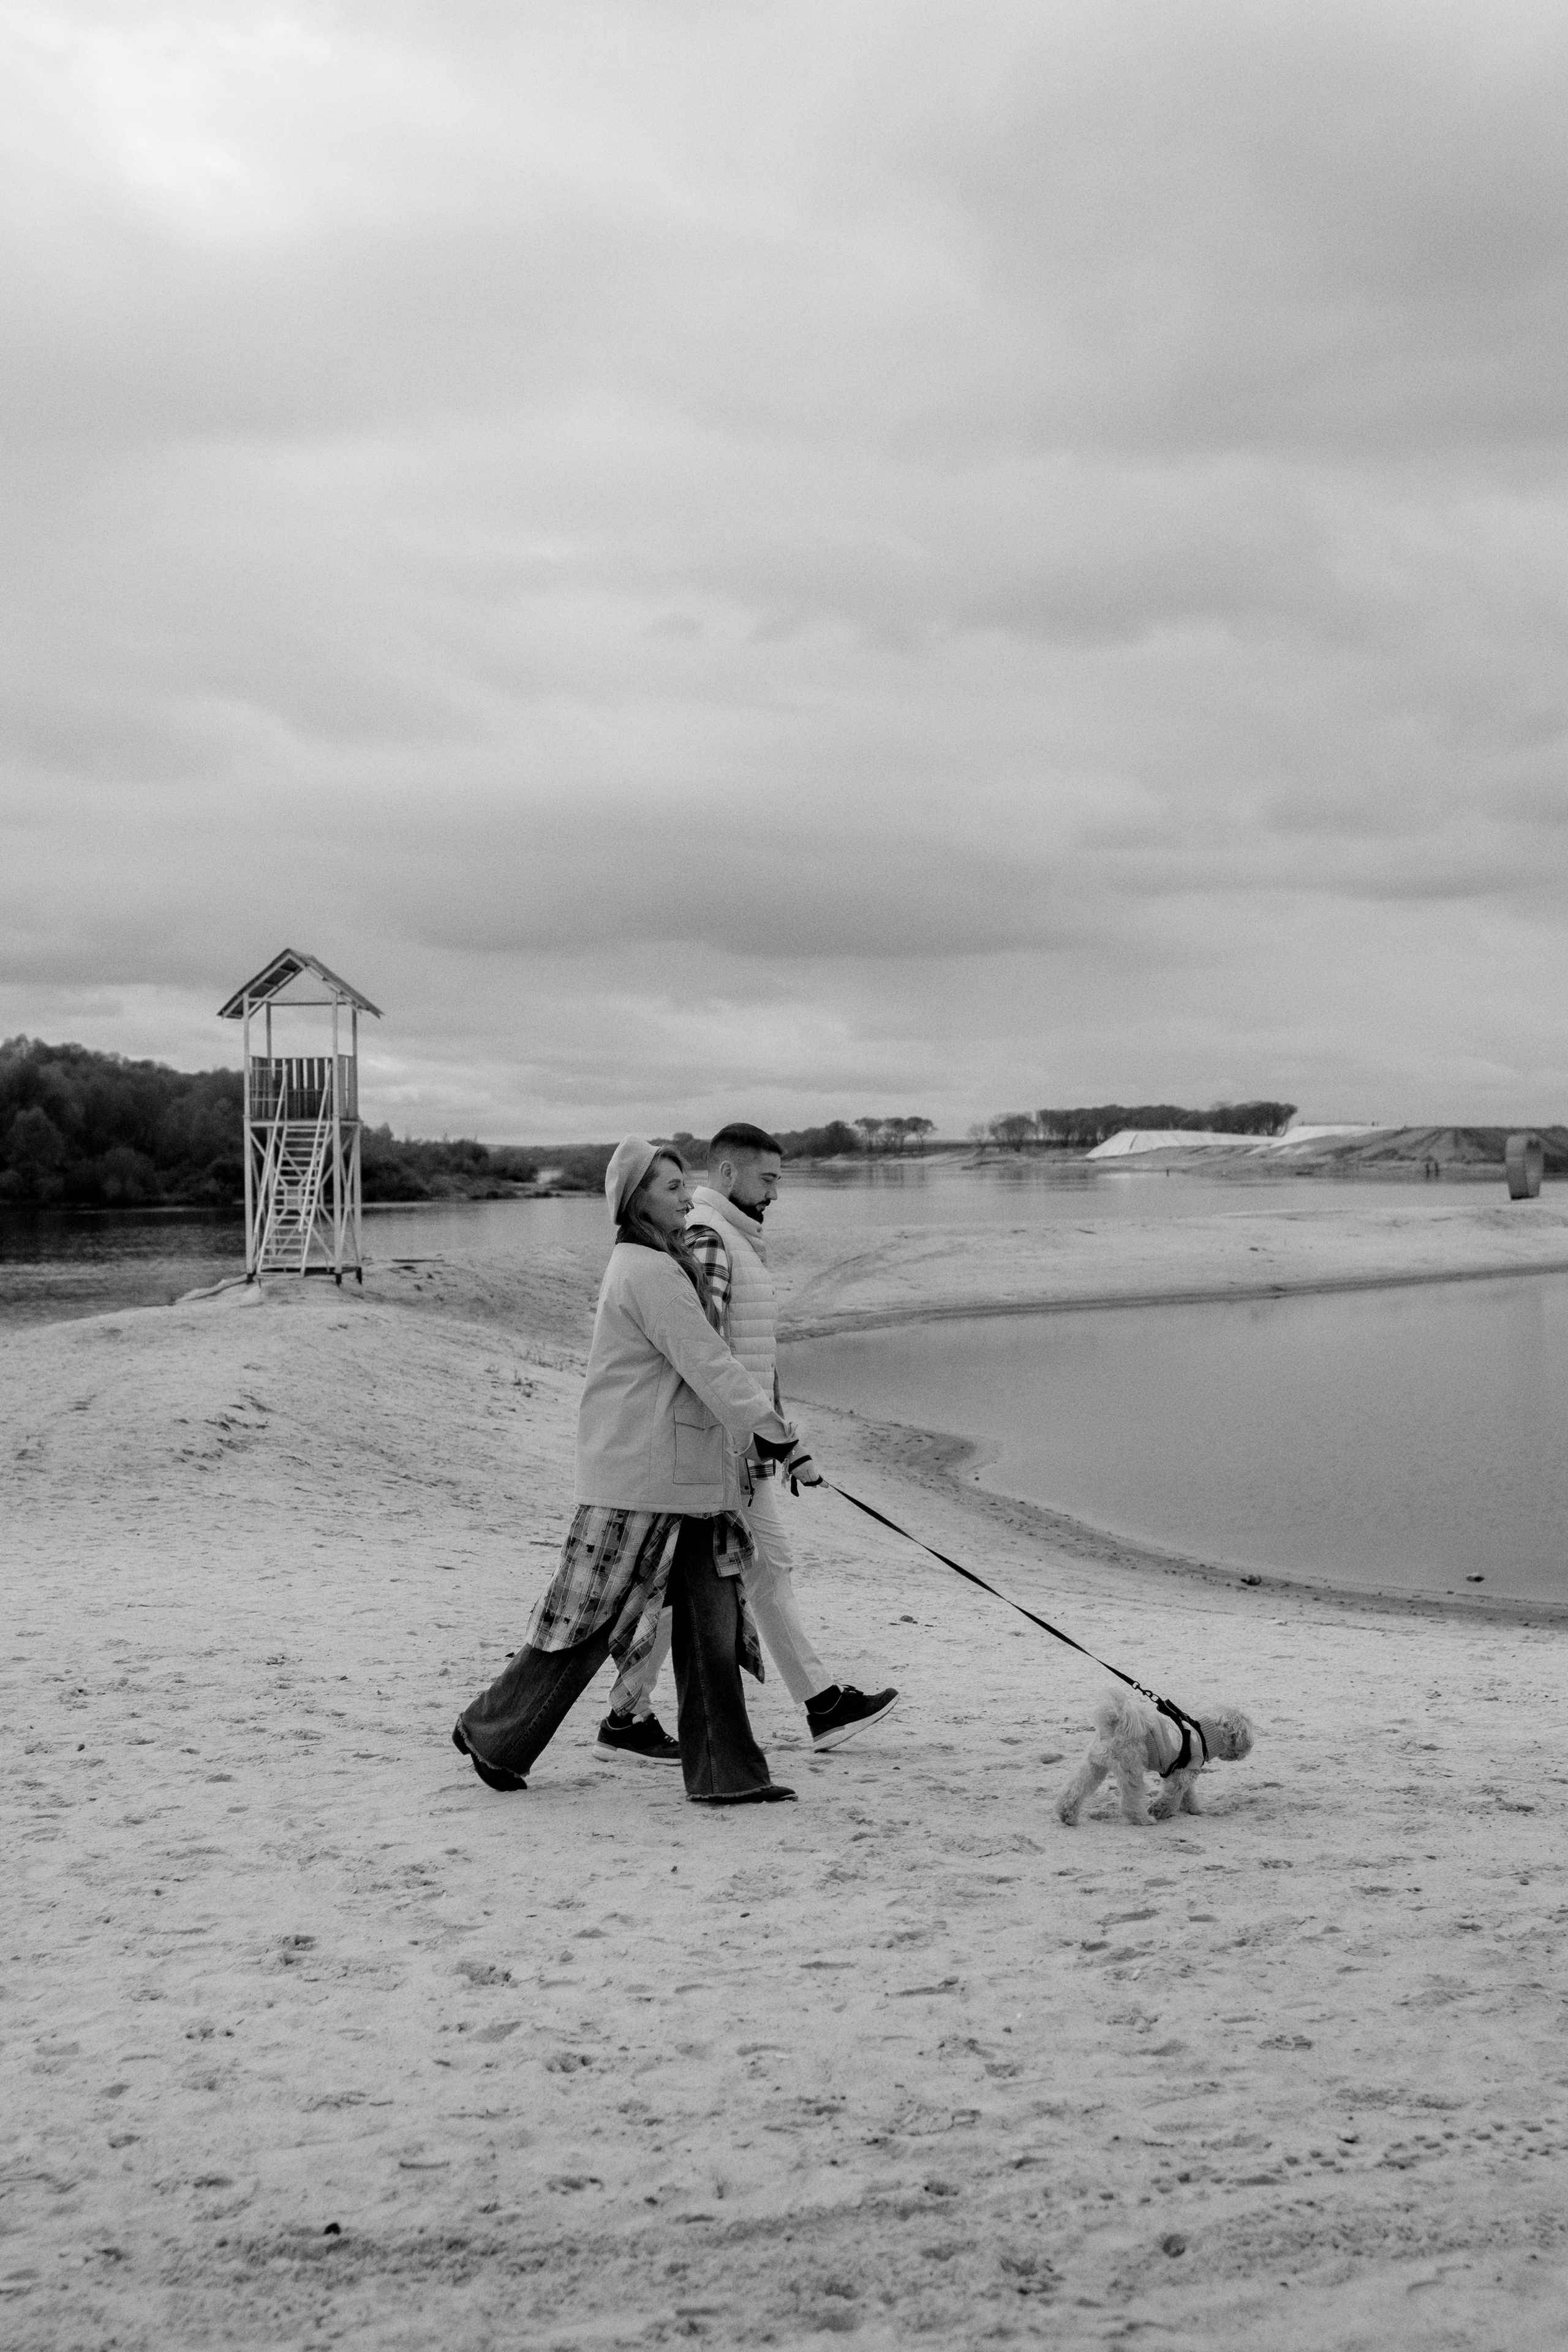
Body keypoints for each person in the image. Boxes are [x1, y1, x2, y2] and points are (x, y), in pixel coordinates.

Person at [451, 1137, 800, 1804]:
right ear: (637, 1198)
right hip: (645, 1477)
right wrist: (780, 1437)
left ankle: (727, 1775)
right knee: (587, 1623)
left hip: (685, 1477)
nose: (684, 1193)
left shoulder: (656, 1263)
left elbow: (709, 1369)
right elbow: (711, 1365)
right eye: (670, 1185)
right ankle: (493, 1731)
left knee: (711, 1629)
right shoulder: (647, 1271)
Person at [598, 1121, 899, 1764]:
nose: (775, 1193)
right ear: (728, 1176)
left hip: (745, 1443)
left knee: (711, 1583)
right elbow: (706, 1357)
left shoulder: (735, 1238)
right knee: (742, 1576)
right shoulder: (709, 1240)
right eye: (767, 1179)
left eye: (779, 1180)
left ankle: (629, 1713)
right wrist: (774, 1442)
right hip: (723, 1448)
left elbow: (754, 1357)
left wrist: (780, 1432)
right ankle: (818, 1704)